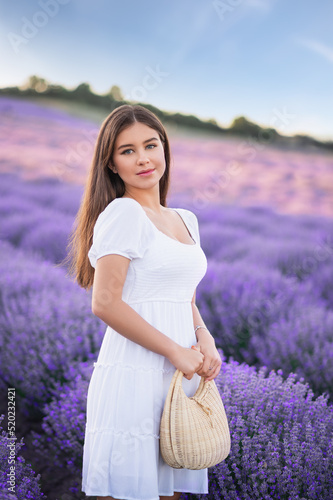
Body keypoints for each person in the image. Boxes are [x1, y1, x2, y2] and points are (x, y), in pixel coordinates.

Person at [67, 104, 222, 500]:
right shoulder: (123, 213)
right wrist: (175, 350)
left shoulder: (186, 219)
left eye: (150, 145)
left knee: (167, 487)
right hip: (136, 370)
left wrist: (204, 338)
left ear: (165, 150)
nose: (143, 158)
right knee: (128, 488)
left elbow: (181, 294)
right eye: (127, 150)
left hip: (178, 370)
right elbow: (104, 303)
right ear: (112, 164)